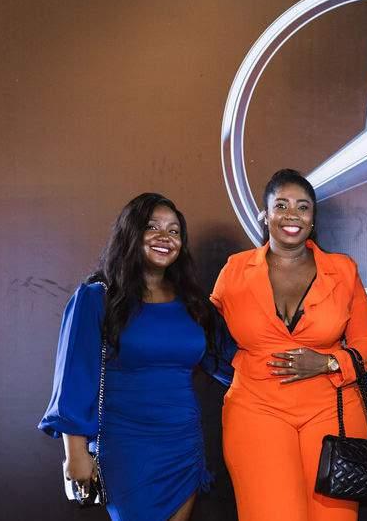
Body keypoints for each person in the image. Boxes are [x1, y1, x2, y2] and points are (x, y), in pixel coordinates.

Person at [39, 193, 233, 521]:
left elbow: (233, 362)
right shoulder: (96, 298)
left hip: (182, 444)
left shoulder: (194, 304)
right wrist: (75, 452)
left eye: (174, 231)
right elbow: (74, 378)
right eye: (152, 227)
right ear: (131, 233)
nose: (164, 237)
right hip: (126, 446)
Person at [211, 169, 367, 521]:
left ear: (313, 219)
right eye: (282, 205)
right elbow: (206, 336)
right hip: (256, 410)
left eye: (303, 207)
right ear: (265, 215)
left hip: (332, 412)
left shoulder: (342, 270)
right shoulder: (234, 271)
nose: (292, 215)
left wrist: (327, 363)